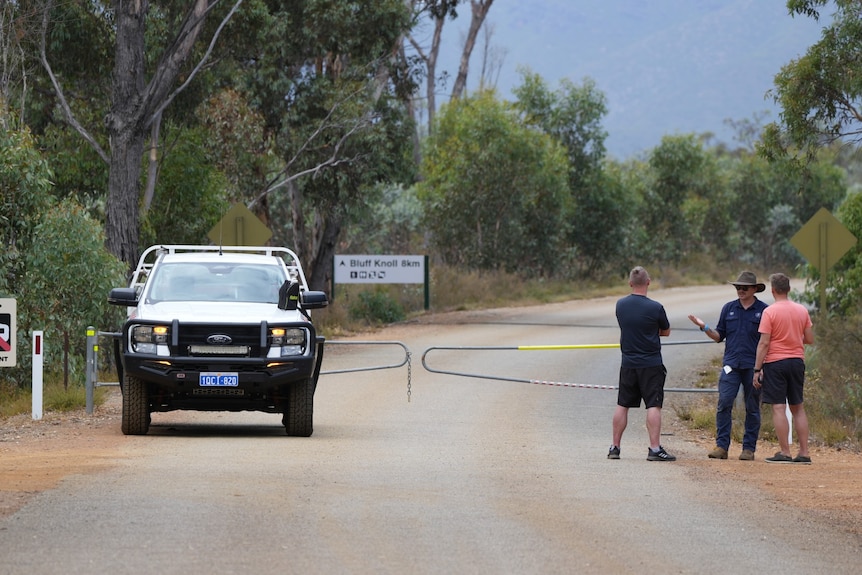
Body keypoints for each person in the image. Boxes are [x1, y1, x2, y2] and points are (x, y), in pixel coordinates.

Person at [687, 272, 768, 461]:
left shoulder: (764, 311)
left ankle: (749, 448)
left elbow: (767, 341)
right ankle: (722, 446)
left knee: (752, 407)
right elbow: (718, 336)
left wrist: (762, 367)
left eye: (744, 287)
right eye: (738, 287)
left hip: (753, 366)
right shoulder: (728, 308)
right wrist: (703, 327)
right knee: (724, 402)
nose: (740, 290)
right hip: (731, 364)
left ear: (754, 289)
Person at [608, 266, 676, 461]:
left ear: (630, 283)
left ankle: (615, 447)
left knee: (622, 404)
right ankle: (654, 448)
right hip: (651, 363)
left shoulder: (620, 305)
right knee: (653, 405)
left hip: (628, 362)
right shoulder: (655, 307)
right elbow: (666, 331)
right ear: (648, 282)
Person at [753, 272, 815, 464]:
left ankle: (785, 452)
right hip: (797, 361)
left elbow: (764, 343)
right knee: (798, 407)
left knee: (779, 407)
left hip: (776, 362)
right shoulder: (801, 310)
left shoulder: (770, 312)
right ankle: (804, 452)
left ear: (773, 290)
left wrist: (757, 369)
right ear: (788, 289)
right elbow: (810, 339)